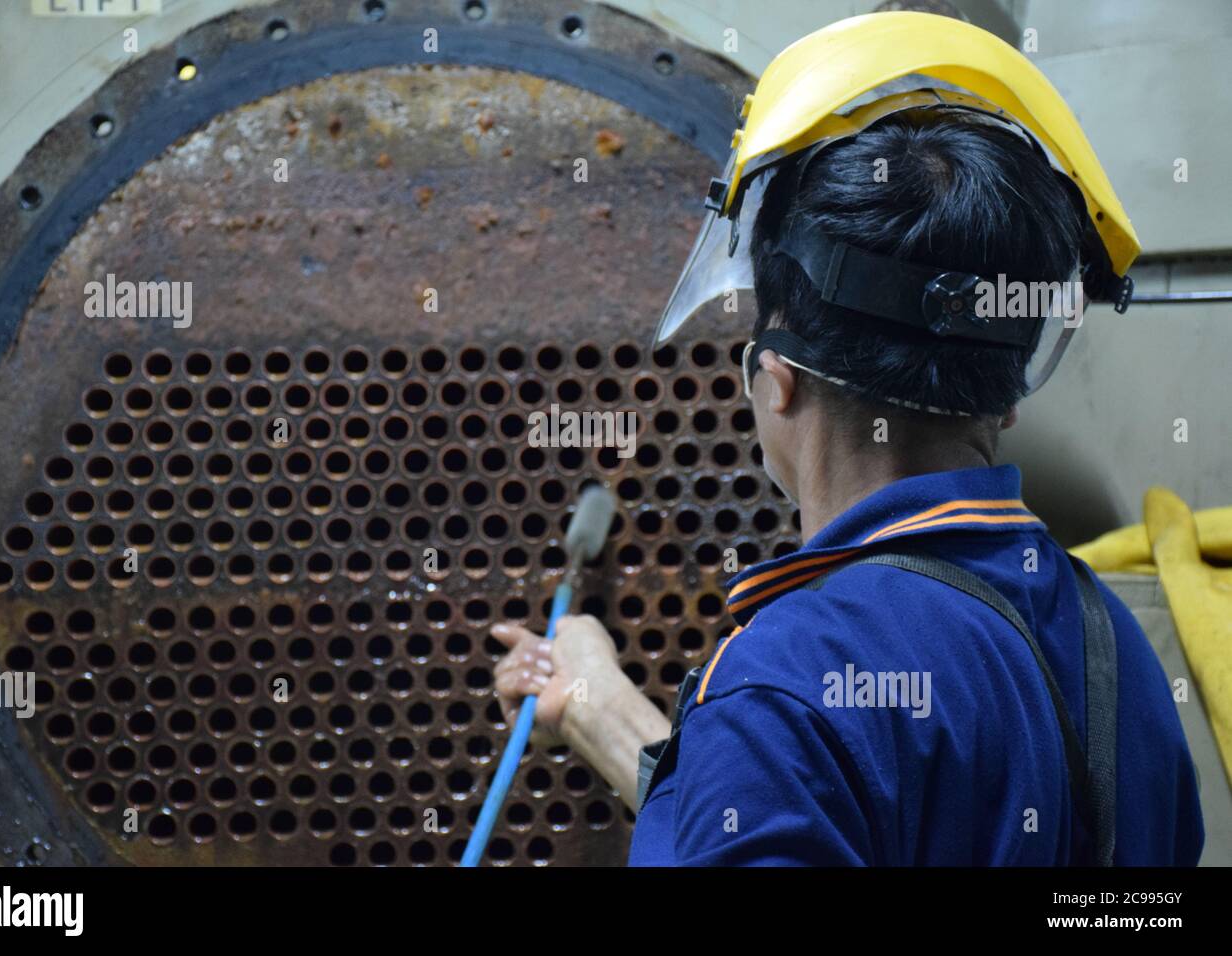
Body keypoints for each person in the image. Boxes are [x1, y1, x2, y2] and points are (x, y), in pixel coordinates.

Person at [492, 13, 1204, 865]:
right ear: (1006, 400)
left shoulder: (781, 687)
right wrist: (599, 706)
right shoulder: (1115, 654)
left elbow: (796, 782)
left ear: (775, 384)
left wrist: (726, 730)